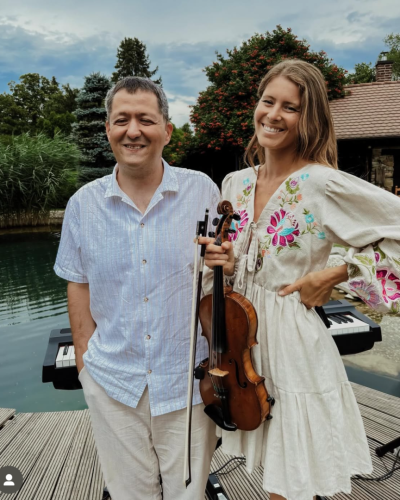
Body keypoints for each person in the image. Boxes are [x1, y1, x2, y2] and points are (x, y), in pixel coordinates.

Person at [200, 59, 400, 500]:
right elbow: (239, 263)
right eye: (267, 101)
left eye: (289, 107)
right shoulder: (234, 183)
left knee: (293, 477)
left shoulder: (322, 184)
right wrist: (224, 262)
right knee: (276, 469)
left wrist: (337, 274)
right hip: (241, 341)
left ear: (309, 119)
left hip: (292, 342)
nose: (273, 115)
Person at [54, 76, 219, 500]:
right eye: (122, 120)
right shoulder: (82, 205)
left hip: (187, 383)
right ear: (107, 129)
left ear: (167, 129)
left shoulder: (203, 191)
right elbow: (78, 285)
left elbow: (219, 280)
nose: (133, 131)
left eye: (145, 119)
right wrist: (85, 365)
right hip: (112, 383)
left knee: (188, 495)